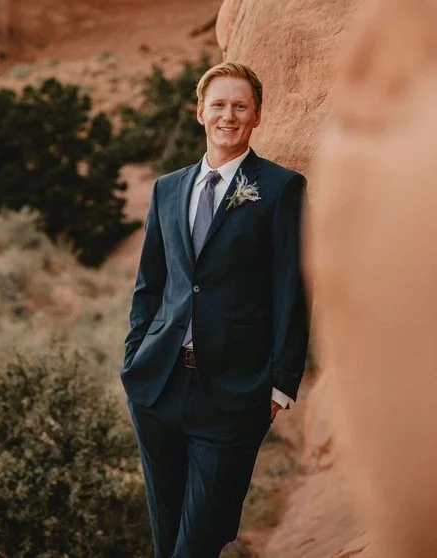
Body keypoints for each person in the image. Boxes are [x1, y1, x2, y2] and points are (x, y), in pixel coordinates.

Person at [121, 62, 309, 558]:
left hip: (234, 391)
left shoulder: (281, 188)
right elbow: (150, 285)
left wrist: (280, 384)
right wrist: (134, 358)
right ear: (200, 111)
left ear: (257, 115)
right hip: (159, 384)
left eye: (240, 106)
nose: (229, 116)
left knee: (201, 538)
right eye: (219, 105)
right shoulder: (167, 188)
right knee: (167, 538)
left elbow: (291, 289)